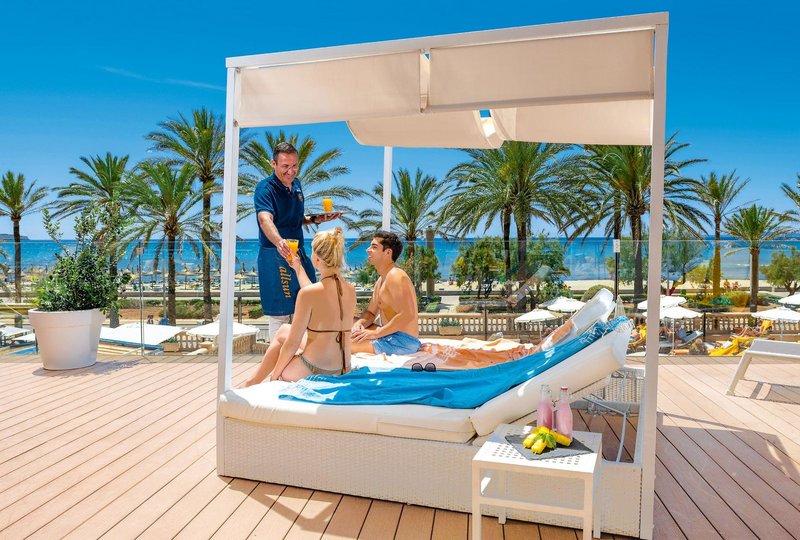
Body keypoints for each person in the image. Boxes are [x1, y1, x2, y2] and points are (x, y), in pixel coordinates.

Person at [241, 227, 355, 387]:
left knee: (284, 352)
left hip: (316, 369)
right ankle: (251, 382)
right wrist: (297, 266)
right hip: (343, 367)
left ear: (316, 259)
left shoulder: (308, 294)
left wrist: (274, 377)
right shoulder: (350, 290)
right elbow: (318, 294)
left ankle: (252, 382)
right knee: (284, 330)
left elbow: (292, 344)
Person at [253, 142, 341, 341]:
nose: (290, 171)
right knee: (281, 313)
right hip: (275, 254)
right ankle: (278, 358)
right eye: (285, 166)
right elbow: (265, 219)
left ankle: (304, 353)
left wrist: (316, 219)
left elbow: (294, 219)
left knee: (309, 299)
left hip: (298, 251)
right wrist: (279, 242)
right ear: (273, 163)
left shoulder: (297, 184)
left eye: (294, 166)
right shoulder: (265, 189)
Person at [351, 231, 422, 355]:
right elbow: (370, 312)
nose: (368, 250)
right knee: (346, 322)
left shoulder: (396, 275)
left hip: (402, 342)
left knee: (342, 346)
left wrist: (376, 334)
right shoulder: (381, 280)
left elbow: (408, 314)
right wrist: (359, 324)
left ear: (388, 252)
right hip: (389, 335)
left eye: (374, 247)